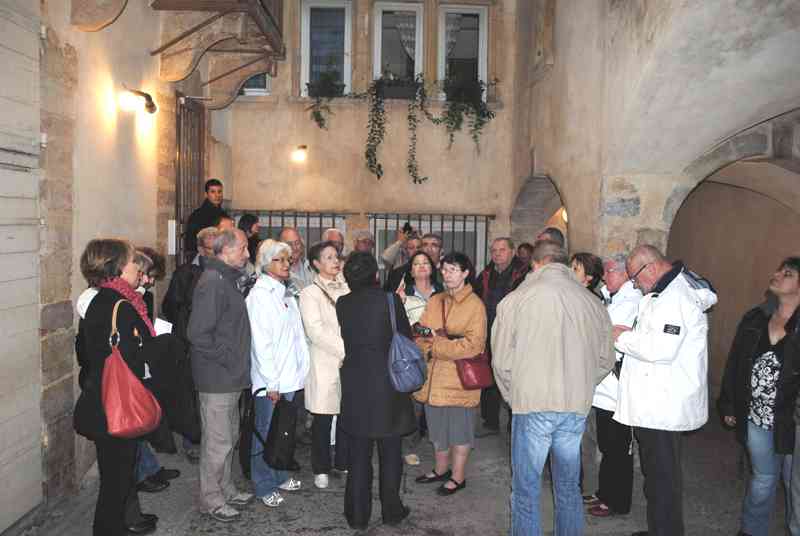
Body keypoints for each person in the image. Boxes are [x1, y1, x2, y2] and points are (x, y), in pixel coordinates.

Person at [491, 239, 615, 536]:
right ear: (563, 263)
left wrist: (513, 395)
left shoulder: (516, 300)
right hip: (574, 406)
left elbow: (501, 361)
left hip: (531, 403)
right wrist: (582, 385)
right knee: (569, 487)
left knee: (526, 489)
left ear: (535, 264)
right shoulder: (593, 302)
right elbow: (605, 359)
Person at [613, 245, 718, 536]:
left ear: (651, 267)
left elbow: (661, 348)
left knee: (663, 477)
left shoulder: (676, 297)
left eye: (635, 277)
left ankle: (667, 531)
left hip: (664, 405)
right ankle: (660, 528)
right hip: (655, 403)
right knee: (656, 475)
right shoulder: (663, 293)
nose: (634, 284)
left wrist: (622, 337)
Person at [73, 239, 160, 536]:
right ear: (118, 268)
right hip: (117, 404)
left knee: (115, 480)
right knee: (116, 483)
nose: (138, 268)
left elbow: (85, 352)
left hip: (100, 399)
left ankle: (114, 526)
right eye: (133, 262)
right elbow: (135, 359)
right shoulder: (121, 305)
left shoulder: (99, 301)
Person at [719, 258, 800, 536]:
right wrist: (729, 402)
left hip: (793, 421)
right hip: (757, 416)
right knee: (763, 479)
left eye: (787, 273)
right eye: (778, 270)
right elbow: (735, 363)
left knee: (794, 484)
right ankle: (752, 531)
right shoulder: (755, 318)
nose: (776, 275)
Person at [336, 252, 416, 529]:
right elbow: (405, 339)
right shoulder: (391, 301)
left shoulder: (342, 304)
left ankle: (357, 516)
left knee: (358, 455)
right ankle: (392, 511)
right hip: (388, 387)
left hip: (356, 386)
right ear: (376, 275)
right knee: (391, 453)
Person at [187, 229, 254, 523]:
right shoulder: (213, 282)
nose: (248, 254)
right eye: (243, 248)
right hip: (217, 377)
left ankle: (225, 489)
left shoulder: (225, 279)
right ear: (226, 251)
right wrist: (228, 357)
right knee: (217, 442)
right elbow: (198, 334)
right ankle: (210, 499)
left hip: (229, 375)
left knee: (229, 437)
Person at [414, 252, 487, 495]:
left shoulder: (475, 305)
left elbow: (474, 346)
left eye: (453, 269)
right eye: (444, 270)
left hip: (459, 380)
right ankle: (440, 469)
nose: (447, 274)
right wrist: (430, 341)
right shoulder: (436, 300)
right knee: (437, 431)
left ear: (466, 273)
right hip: (433, 379)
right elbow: (421, 332)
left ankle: (458, 476)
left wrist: (437, 346)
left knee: (459, 431)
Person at [246, 239, 309, 507]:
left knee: (283, 431)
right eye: (279, 260)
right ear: (265, 263)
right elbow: (262, 343)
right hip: (271, 380)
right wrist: (271, 383)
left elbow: (296, 336)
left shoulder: (284, 291)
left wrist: (302, 370)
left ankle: (280, 473)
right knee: (265, 432)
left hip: (290, 377)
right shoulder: (259, 295)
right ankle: (263, 484)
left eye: (287, 259)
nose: (286, 264)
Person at [584, 258, 641, 518]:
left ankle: (618, 501)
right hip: (604, 390)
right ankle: (605, 492)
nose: (603, 276)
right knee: (608, 445)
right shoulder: (613, 298)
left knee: (619, 448)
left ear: (625, 274)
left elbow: (602, 337)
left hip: (618, 390)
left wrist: (601, 332)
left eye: (609, 271)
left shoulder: (629, 301)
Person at [161, 226, 218, 463]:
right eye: (211, 248)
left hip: (217, 343)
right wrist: (187, 328)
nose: (215, 252)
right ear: (200, 249)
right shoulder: (185, 273)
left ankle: (214, 439)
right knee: (192, 394)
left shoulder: (225, 272)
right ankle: (192, 441)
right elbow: (171, 305)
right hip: (192, 343)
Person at [300, 241, 351, 490]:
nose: (335, 261)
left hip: (349, 362)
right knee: (322, 418)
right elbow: (315, 330)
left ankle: (342, 461)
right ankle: (320, 467)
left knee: (345, 415)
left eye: (336, 256)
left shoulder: (348, 287)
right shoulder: (310, 293)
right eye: (328, 257)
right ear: (316, 264)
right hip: (324, 360)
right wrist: (345, 348)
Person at [473, 237, 529, 437]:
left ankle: (514, 424)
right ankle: (490, 422)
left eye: (502, 250)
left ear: (512, 251)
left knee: (513, 377)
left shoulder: (524, 274)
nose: (497, 254)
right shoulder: (486, 274)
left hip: (513, 332)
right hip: (489, 330)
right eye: (494, 250)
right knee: (490, 375)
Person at [396, 251, 444, 325]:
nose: (421, 266)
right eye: (416, 264)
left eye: (425, 263)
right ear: (411, 272)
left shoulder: (443, 292)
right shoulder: (403, 295)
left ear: (431, 269)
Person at [184, 179, 227, 256]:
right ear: (206, 194)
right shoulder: (197, 215)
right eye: (213, 192)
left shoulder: (225, 215)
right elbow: (190, 243)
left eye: (219, 192)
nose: (217, 195)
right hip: (203, 257)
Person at [279, 227, 314, 292]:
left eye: (297, 243)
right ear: (280, 247)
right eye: (289, 244)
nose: (294, 247)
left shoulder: (312, 267)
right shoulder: (278, 272)